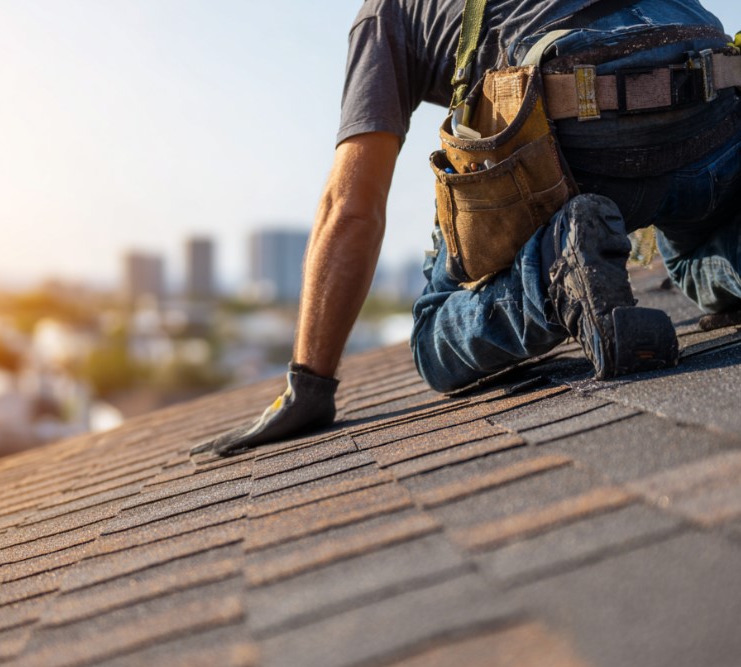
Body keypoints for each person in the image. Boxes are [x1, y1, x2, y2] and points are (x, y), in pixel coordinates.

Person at [195, 0, 741, 455]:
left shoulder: (384, 12)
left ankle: (554, 275)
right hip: (717, 104)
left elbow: (351, 208)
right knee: (694, 251)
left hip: (589, 143)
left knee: (435, 332)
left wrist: (308, 384)